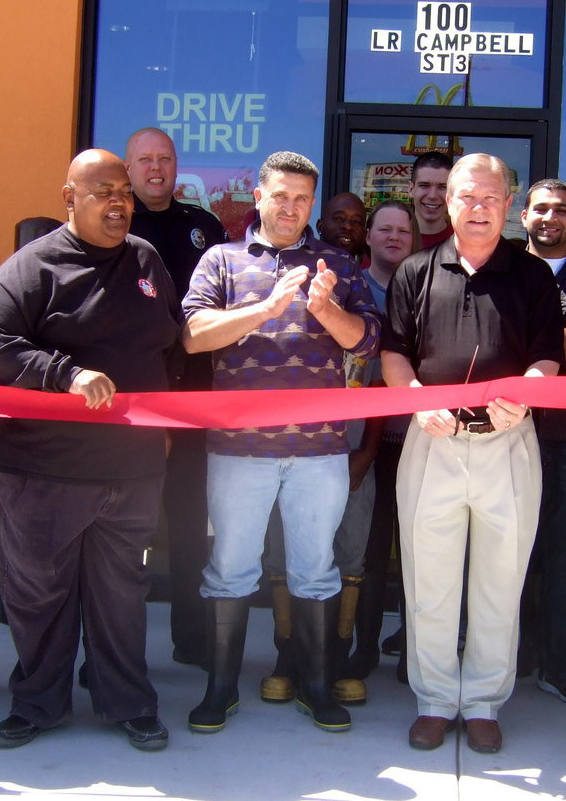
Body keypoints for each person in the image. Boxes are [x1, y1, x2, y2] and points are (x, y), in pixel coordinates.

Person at [0, 149, 182, 751]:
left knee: (123, 595)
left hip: (130, 468)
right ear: (69, 197)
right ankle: (37, 704)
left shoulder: (145, 259)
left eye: (126, 193)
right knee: (38, 596)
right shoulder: (33, 268)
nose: (119, 203)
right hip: (42, 470)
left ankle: (128, 703)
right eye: (103, 191)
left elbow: (167, 341)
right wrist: (63, 373)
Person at [181, 151, 380, 735]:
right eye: (281, 196)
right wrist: (266, 308)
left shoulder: (337, 263)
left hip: (319, 450)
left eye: (302, 199)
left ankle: (316, 688)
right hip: (238, 449)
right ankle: (220, 690)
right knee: (230, 568)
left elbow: (366, 342)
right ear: (259, 197)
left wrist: (324, 307)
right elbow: (193, 335)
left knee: (315, 570)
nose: (291, 208)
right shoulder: (222, 258)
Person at [382, 153, 564, 755]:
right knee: (427, 577)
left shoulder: (534, 277)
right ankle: (434, 698)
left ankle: (484, 700)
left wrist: (528, 395)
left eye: (491, 197)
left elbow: (547, 355)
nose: (478, 207)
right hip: (431, 440)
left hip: (507, 443)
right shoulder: (415, 270)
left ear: (508, 205)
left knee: (500, 579)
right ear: (445, 203)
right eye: (467, 196)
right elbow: (394, 353)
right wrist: (413, 401)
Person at [260, 188, 377, 705]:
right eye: (338, 218)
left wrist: (367, 453)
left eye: (357, 219)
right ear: (319, 222)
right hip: (298, 448)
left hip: (355, 449)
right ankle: (289, 656)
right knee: (285, 552)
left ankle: (336, 659)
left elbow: (379, 378)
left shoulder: (361, 284)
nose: (347, 226)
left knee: (349, 555)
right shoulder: (294, 276)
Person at [124, 126, 227, 669]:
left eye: (164, 159)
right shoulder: (114, 224)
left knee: (190, 526)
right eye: (145, 160)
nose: (155, 169)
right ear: (129, 166)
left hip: (194, 399)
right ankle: (116, 653)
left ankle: (192, 640)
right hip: (134, 399)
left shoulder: (202, 226)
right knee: (126, 533)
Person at [516, 178, 566, 707]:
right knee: (508, 555)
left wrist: (530, 343)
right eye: (541, 208)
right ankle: (511, 655)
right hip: (509, 432)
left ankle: (559, 664)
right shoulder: (505, 267)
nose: (552, 217)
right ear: (522, 215)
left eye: (561, 210)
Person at [345, 201, 418, 685]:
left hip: (419, 439)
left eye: (403, 231)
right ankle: (362, 648)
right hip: (364, 443)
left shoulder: (425, 282)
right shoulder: (351, 287)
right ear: (368, 235)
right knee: (368, 553)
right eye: (385, 229)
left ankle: (414, 651)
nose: (394, 237)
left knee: (418, 551)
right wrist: (363, 450)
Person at [407, 150, 453, 249]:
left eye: (442, 187)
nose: (432, 196)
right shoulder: (392, 241)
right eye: (424, 185)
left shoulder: (464, 243)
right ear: (411, 189)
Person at [316, 191, 368, 258]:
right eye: (339, 218)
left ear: (365, 236)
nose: (348, 226)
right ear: (320, 227)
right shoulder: (301, 266)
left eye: (356, 221)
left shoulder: (369, 268)